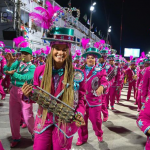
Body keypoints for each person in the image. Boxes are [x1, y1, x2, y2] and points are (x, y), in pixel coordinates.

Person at [22, 27, 86, 150]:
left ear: (69, 51)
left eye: (64, 49)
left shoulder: (77, 74)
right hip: (44, 120)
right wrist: (27, 94)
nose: (60, 53)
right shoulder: (40, 71)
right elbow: (36, 97)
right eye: (57, 48)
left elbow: (81, 99)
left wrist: (79, 114)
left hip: (65, 121)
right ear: (51, 49)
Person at [3, 47, 35, 148]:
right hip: (14, 91)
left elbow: (27, 77)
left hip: (25, 91)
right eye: (22, 53)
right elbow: (6, 71)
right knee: (13, 116)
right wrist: (8, 64)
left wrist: (14, 74)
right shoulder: (17, 63)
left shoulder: (32, 67)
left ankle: (34, 134)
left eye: (26, 54)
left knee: (27, 115)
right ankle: (16, 137)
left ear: (31, 56)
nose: (23, 55)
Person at [76, 45, 108, 146]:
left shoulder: (100, 70)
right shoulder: (79, 69)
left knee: (96, 121)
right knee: (81, 121)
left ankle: (99, 133)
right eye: (88, 58)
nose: (90, 60)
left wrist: (102, 86)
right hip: (81, 101)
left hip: (94, 100)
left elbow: (105, 81)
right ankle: (82, 138)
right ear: (85, 59)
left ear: (96, 59)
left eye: (92, 58)